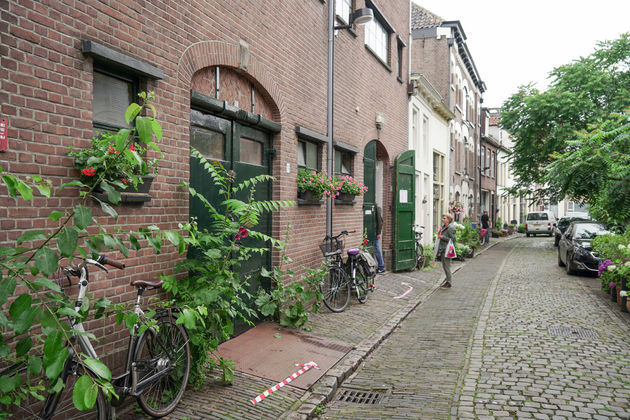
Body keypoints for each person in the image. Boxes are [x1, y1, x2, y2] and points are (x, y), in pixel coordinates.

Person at [437, 213, 456, 288]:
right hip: (443, 249)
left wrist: (442, 237)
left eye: (444, 218)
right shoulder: (444, 227)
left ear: (448, 220)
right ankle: (447, 280)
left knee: (447, 266)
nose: (443, 219)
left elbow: (453, 240)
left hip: (447, 250)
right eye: (443, 218)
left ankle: (449, 282)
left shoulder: (450, 228)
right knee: (445, 266)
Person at [374, 205, 385, 273]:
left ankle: (381, 266)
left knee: (376, 249)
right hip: (370, 231)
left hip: (374, 232)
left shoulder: (376, 208)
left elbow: (380, 221)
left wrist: (378, 232)